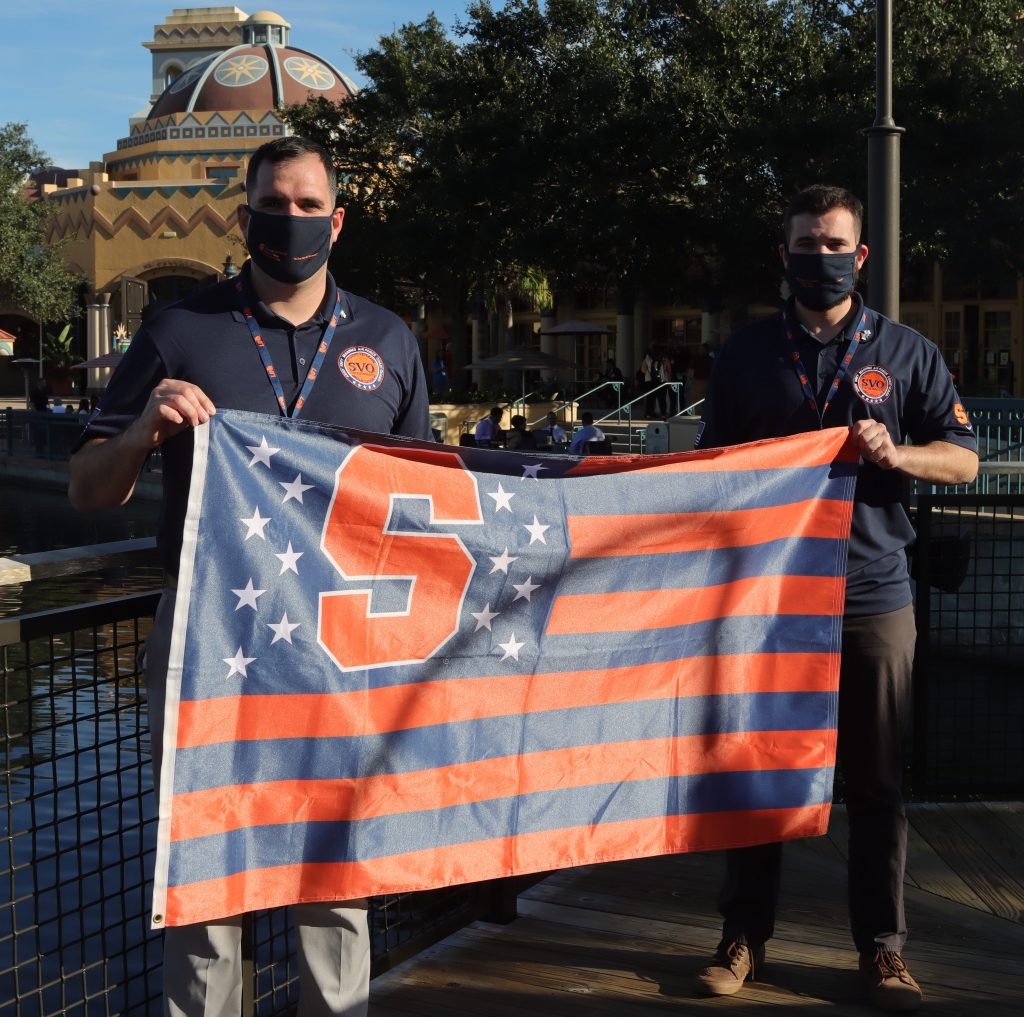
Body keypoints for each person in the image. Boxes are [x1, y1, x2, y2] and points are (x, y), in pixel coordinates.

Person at [68, 135, 432, 1017]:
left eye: (310, 205)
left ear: (338, 222)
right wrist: (141, 431)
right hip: (207, 641)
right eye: (276, 202)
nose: (292, 219)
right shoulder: (179, 329)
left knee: (336, 876)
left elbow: (423, 505)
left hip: (343, 645)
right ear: (246, 215)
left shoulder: (387, 339)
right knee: (208, 878)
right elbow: (87, 490)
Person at [692, 184, 978, 1013]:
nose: (821, 257)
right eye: (805, 245)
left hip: (873, 592)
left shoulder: (908, 351)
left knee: (879, 782)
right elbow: (710, 471)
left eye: (836, 245)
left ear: (860, 255)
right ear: (784, 256)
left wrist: (899, 454)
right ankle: (742, 936)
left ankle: (882, 950)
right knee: (759, 773)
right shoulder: (746, 353)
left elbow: (964, 460)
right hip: (770, 599)